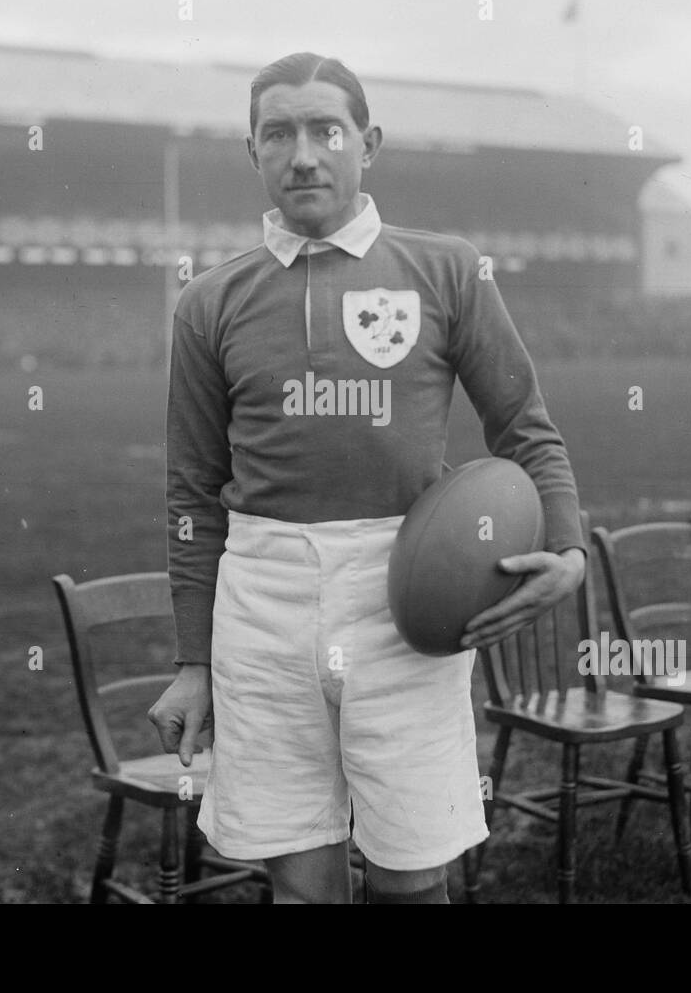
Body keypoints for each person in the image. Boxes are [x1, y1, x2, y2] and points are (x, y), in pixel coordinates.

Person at [148, 54, 585, 904]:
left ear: (367, 143)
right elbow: (193, 494)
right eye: (279, 133)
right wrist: (193, 661)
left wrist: (566, 547)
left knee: (411, 874)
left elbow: (524, 427)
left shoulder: (449, 270)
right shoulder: (208, 302)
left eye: (326, 130)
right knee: (304, 884)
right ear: (253, 151)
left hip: (407, 592)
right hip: (262, 598)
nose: (303, 154)